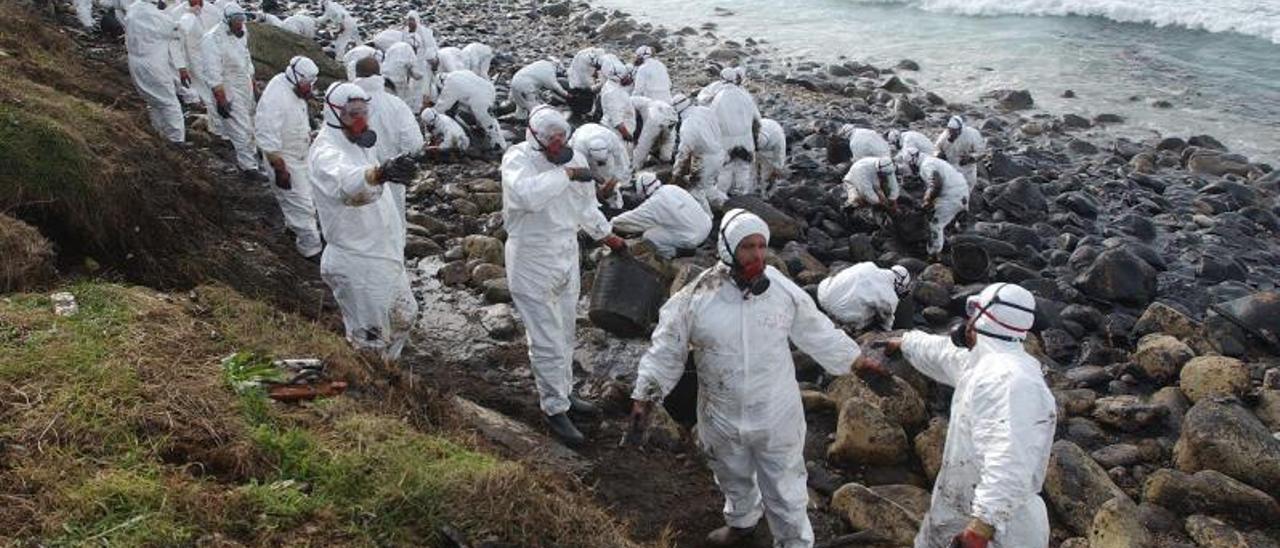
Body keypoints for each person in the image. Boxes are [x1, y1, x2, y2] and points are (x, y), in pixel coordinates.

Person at [629, 209, 864, 548]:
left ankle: (795, 542)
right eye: (747, 247)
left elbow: (819, 333)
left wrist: (856, 361)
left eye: (761, 246)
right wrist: (645, 396)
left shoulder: (783, 291)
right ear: (727, 249)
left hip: (776, 413)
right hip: (720, 413)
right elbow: (666, 350)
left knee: (786, 487)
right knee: (731, 474)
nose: (757, 256)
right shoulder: (696, 298)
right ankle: (742, 523)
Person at [872, 283, 1055, 548]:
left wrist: (980, 528)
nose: (966, 321)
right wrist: (905, 342)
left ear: (983, 318)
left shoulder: (1012, 382)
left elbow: (1010, 461)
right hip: (962, 507)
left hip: (1000, 530)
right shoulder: (984, 360)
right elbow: (943, 353)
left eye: (973, 312)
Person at [501, 106, 625, 446]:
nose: (558, 144)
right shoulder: (517, 160)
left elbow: (586, 207)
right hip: (531, 254)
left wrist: (608, 236)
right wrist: (566, 176)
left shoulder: (574, 158)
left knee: (566, 331)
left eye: (562, 137)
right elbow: (526, 196)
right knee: (546, 338)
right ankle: (553, 408)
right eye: (551, 139)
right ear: (535, 136)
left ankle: (566, 394)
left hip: (566, 252)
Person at [308, 82, 420, 361]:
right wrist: (380, 174)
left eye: (364, 112)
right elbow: (347, 182)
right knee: (370, 337)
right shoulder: (326, 152)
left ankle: (387, 371)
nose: (360, 120)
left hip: (382, 253)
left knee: (404, 317)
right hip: (357, 258)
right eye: (352, 114)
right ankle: (373, 388)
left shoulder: (357, 145)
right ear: (334, 114)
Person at [255, 56, 323, 259]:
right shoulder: (276, 97)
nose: (309, 87)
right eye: (307, 83)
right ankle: (310, 249)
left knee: (307, 198)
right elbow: (266, 135)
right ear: (295, 77)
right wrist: (280, 169)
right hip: (284, 159)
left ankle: (292, 229)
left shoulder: (291, 88)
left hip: (301, 154)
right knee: (301, 205)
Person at [352, 57, 425, 230]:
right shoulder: (395, 104)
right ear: (379, 75)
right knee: (393, 225)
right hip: (391, 177)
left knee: (361, 226)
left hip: (356, 178)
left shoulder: (344, 108)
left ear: (356, 76)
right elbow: (414, 143)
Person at [202, 2, 259, 175]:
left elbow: (246, 58)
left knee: (251, 123)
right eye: (236, 20)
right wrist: (221, 99)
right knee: (241, 128)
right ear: (227, 20)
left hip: (244, 83)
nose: (239, 24)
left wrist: (253, 84)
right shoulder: (212, 39)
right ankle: (248, 167)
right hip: (228, 87)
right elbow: (213, 72)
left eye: (241, 19)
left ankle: (253, 156)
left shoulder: (241, 34)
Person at [125, 0, 186, 144]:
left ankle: (159, 134)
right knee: (170, 103)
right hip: (153, 64)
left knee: (153, 101)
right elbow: (177, 30)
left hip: (135, 62)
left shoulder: (133, 10)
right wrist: (189, 15)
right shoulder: (153, 15)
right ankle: (176, 140)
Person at [611, 173, 712, 258]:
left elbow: (632, 219)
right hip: (706, 224)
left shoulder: (654, 203)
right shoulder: (672, 188)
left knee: (650, 236)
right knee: (665, 223)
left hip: (694, 238)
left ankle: (675, 254)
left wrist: (611, 223)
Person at [901, 147, 969, 260]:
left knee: (935, 224)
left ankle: (934, 254)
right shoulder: (932, 160)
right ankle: (959, 228)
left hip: (952, 197)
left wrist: (927, 200)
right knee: (950, 215)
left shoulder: (926, 165)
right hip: (962, 192)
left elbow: (936, 184)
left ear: (912, 161)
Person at [671, 95, 727, 214]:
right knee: (708, 186)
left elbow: (684, 153)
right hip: (720, 152)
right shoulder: (705, 111)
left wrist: (676, 173)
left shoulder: (687, 125)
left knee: (695, 190)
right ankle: (727, 204)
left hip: (706, 160)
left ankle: (707, 217)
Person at [710, 67, 761, 198]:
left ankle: (722, 197)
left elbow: (712, 121)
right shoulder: (745, 96)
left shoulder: (718, 98)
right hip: (745, 139)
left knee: (726, 169)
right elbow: (757, 119)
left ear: (722, 79)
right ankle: (742, 196)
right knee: (743, 168)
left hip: (727, 140)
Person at [817, 263, 911, 331]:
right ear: (899, 282)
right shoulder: (891, 296)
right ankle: (849, 327)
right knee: (878, 314)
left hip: (823, 295)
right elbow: (886, 325)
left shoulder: (869, 265)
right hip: (842, 314)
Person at [434, 70, 507, 150]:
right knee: (487, 121)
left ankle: (500, 147)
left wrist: (431, 112)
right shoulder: (458, 73)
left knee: (489, 124)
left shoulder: (450, 84)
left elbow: (442, 106)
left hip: (480, 100)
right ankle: (492, 142)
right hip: (489, 90)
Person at [569, 123, 631, 211]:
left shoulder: (612, 140)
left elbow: (623, 163)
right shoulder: (578, 148)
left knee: (607, 176)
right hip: (581, 140)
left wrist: (612, 183)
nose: (600, 164)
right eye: (599, 162)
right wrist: (595, 189)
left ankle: (616, 206)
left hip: (598, 135)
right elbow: (581, 172)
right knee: (584, 186)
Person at [934, 115, 986, 189]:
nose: (951, 134)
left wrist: (971, 158)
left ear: (960, 129)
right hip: (949, 169)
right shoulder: (945, 135)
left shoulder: (972, 134)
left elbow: (982, 152)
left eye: (954, 132)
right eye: (950, 131)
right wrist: (938, 153)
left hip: (967, 171)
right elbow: (936, 148)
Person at [629, 95, 678, 169]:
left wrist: (634, 166)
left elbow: (643, 145)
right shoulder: (640, 102)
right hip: (666, 118)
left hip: (658, 120)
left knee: (645, 146)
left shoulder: (653, 122)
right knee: (665, 149)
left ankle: (634, 166)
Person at [598, 60, 637, 144]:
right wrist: (627, 135)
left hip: (613, 129)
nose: (628, 78)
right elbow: (617, 121)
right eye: (626, 76)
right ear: (618, 77)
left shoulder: (611, 84)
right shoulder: (613, 93)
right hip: (617, 134)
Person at [382, 41, 423, 110]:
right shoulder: (409, 50)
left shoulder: (393, 46)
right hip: (397, 81)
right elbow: (417, 75)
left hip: (384, 77)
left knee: (388, 103)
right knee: (404, 103)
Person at [755, 117, 787, 196]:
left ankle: (767, 194)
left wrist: (776, 170)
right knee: (751, 169)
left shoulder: (778, 140)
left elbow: (779, 157)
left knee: (768, 173)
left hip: (770, 151)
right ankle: (751, 190)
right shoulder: (751, 131)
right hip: (753, 145)